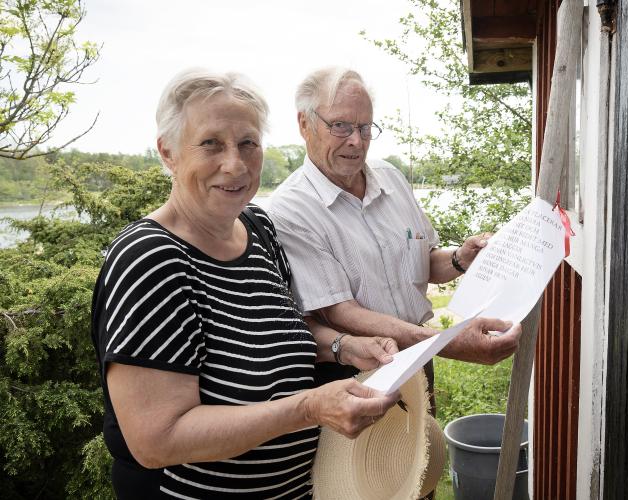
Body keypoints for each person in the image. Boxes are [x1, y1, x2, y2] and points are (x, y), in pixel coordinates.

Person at [90, 69, 400, 499]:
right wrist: (309, 408)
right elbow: (156, 440)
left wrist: (343, 346)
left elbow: (283, 327)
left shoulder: (258, 228)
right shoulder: (150, 260)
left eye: (248, 143)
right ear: (168, 153)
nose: (234, 164)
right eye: (210, 143)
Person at [266, 67, 521, 400]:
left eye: (364, 127)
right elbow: (339, 312)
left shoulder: (391, 178)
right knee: (380, 454)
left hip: (419, 361)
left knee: (426, 449)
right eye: (340, 125)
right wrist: (443, 342)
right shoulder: (289, 210)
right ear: (305, 124)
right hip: (356, 374)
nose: (356, 140)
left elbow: (423, 264)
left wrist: (461, 258)